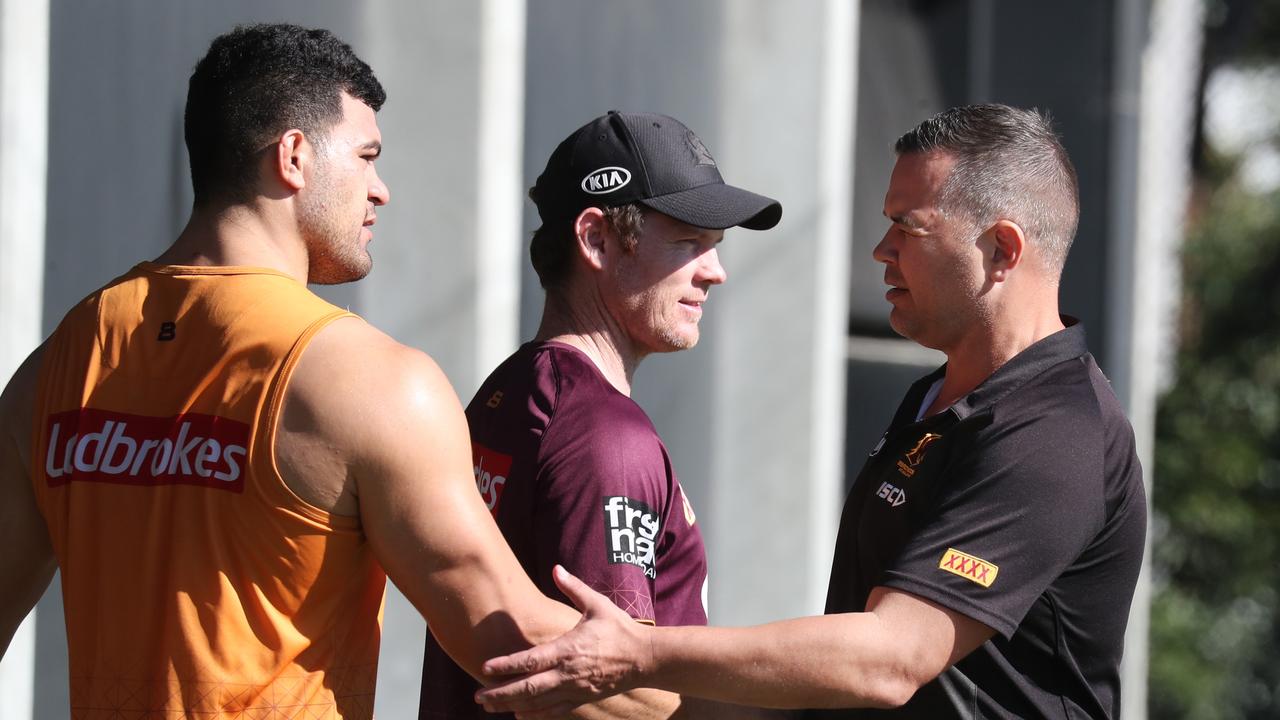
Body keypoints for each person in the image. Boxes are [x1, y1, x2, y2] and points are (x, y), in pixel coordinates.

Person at [0, 24, 672, 719]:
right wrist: (743, 691)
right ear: (293, 156)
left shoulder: (60, 362)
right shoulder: (368, 383)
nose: (380, 191)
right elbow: (518, 641)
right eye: (366, 156)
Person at [474, 104, 1148, 719]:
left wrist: (637, 656)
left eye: (907, 227)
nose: (881, 251)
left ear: (1001, 250)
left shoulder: (1060, 433)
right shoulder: (936, 401)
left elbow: (889, 660)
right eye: (689, 241)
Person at [419, 110, 782, 719]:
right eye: (690, 243)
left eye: (715, 248)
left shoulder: (509, 389)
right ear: (596, 239)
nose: (715, 273)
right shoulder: (606, 437)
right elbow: (614, 691)